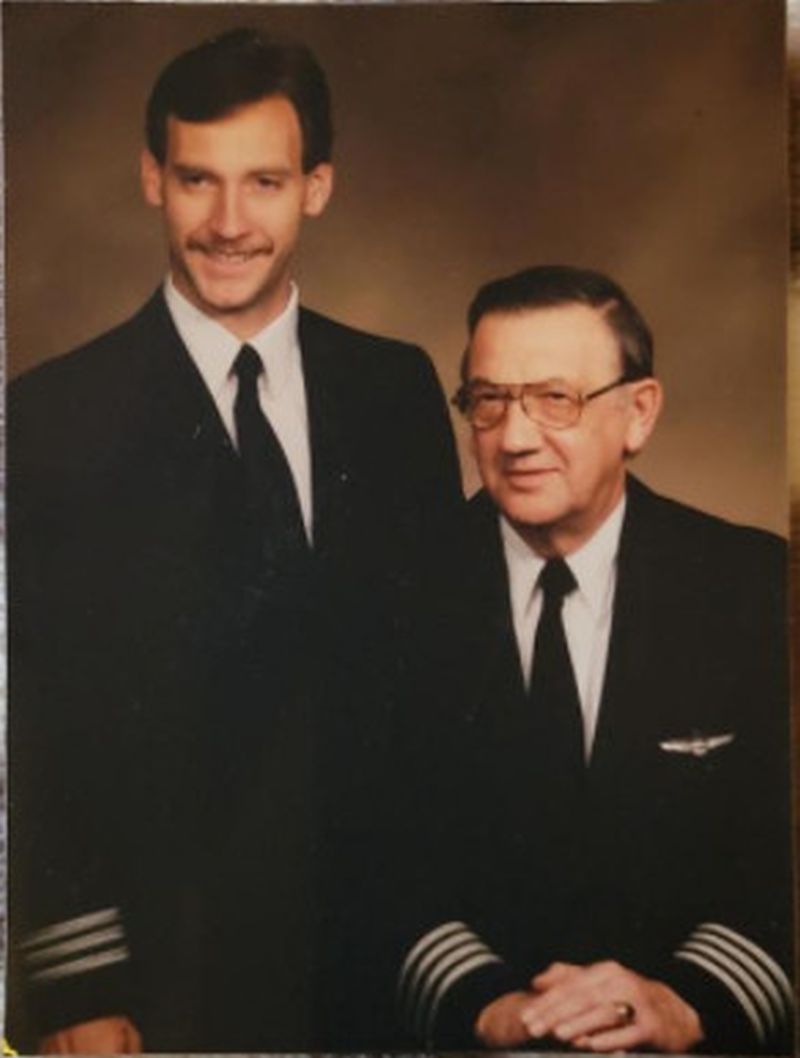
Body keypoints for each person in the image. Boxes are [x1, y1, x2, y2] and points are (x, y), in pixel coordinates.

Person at [8, 27, 460, 1054]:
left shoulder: (393, 391)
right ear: (151, 180)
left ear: (316, 188)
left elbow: (433, 681)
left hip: (373, 967)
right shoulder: (51, 416)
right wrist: (74, 983)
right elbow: (29, 718)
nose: (226, 223)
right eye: (195, 180)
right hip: (159, 976)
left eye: (263, 182)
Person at [397, 266, 793, 1054]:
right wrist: (490, 1006)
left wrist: (683, 1004)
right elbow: (360, 861)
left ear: (638, 413)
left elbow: (782, 858)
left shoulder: (758, 588)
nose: (514, 439)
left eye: (555, 399)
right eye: (489, 400)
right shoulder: (390, 595)